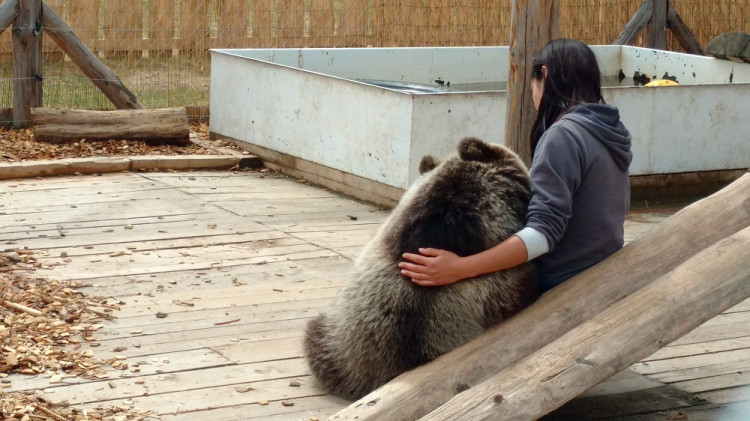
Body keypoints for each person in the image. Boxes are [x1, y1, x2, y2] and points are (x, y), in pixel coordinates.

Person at [399, 38, 633, 292]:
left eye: (532, 83)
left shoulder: (563, 137)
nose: (532, 93)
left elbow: (542, 235)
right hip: (601, 273)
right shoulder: (609, 130)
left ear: (544, 73)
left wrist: (461, 268)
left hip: (559, 283)